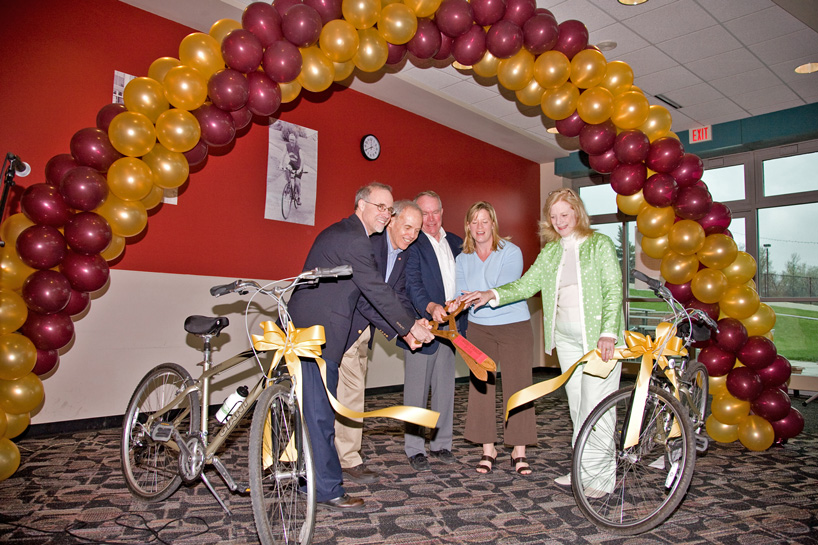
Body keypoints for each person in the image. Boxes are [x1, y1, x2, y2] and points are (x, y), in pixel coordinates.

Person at [461, 188, 623, 487]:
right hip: (566, 340)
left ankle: (601, 480)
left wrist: (609, 333)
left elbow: (613, 289)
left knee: (597, 406)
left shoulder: (598, 244)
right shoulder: (551, 252)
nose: (559, 221)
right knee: (577, 408)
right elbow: (525, 286)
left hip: (598, 339)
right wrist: (491, 294)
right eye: (553, 216)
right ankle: (582, 472)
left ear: (577, 213)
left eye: (564, 214)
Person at [287, 183, 434, 510]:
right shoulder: (355, 240)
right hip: (318, 334)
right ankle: (325, 488)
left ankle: (305, 477)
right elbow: (376, 293)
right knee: (320, 413)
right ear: (361, 205)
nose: (384, 213)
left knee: (314, 410)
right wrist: (410, 327)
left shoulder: (351, 235)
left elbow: (373, 298)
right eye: (380, 207)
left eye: (387, 207)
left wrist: (405, 331)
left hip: (319, 331)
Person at [335, 200, 423, 484]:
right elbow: (365, 297)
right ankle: (330, 457)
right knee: (334, 395)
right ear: (391, 221)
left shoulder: (402, 254)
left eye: (417, 230)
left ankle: (347, 458)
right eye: (407, 226)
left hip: (362, 332)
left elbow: (396, 294)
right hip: (340, 326)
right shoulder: (369, 245)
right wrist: (404, 329)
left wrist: (413, 320)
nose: (412, 234)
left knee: (352, 394)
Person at [455, 202, 537, 475]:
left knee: (519, 386)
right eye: (474, 222)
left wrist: (473, 296)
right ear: (468, 226)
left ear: (493, 224)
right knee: (481, 388)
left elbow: (505, 288)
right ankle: (487, 449)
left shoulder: (510, 252)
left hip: (514, 325)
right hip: (479, 329)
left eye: (484, 221)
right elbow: (460, 293)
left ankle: (519, 450)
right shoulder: (462, 258)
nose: (479, 227)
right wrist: (454, 303)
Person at [403, 191, 467, 471]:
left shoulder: (456, 242)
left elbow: (466, 279)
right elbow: (412, 284)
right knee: (416, 391)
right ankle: (415, 448)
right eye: (424, 213)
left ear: (442, 211)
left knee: (445, 389)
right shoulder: (413, 244)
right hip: (424, 326)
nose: (430, 219)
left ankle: (442, 444)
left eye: (434, 212)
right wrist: (430, 307)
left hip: (452, 328)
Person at [280, 131, 303, 205]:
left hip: (299, 166)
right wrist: (281, 164)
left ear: (295, 140)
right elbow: (283, 155)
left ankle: (299, 197)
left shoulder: (298, 149)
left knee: (297, 183)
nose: (291, 141)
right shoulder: (287, 146)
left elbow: (303, 160)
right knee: (286, 169)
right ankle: (289, 184)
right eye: (290, 140)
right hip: (292, 164)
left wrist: (300, 169)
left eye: (293, 140)